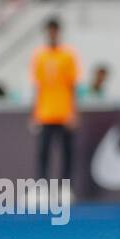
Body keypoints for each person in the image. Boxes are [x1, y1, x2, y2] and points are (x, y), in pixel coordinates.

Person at [30, 17, 80, 183]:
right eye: (49, 31)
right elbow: (38, 87)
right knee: (43, 152)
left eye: (54, 30)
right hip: (45, 112)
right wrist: (35, 113)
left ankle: (65, 186)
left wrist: (73, 112)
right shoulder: (40, 56)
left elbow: (72, 86)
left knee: (67, 152)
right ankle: (42, 185)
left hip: (64, 112)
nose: (52, 34)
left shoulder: (67, 56)